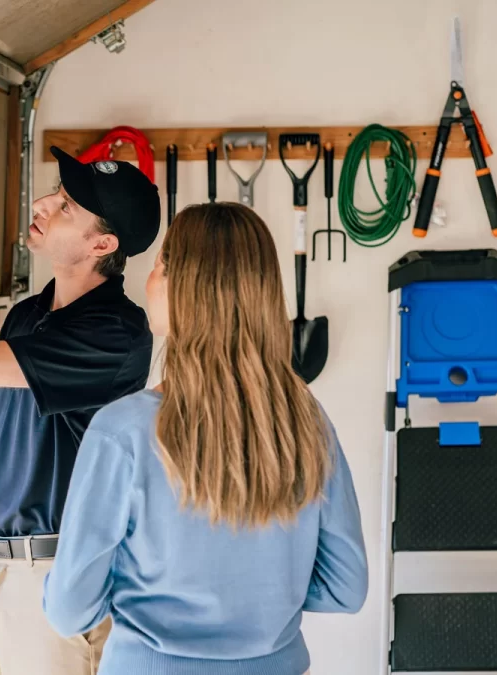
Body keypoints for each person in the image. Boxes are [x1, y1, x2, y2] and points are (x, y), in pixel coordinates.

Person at [43, 202, 368, 675]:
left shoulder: (122, 432)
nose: (150, 283)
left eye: (157, 267)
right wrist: (266, 594)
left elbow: (69, 609)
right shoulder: (306, 422)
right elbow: (346, 587)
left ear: (179, 286)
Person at [0, 147, 162, 675]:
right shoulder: (26, 316)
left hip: (56, 580)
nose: (44, 203)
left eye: (66, 206)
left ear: (102, 245)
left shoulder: (116, 333)